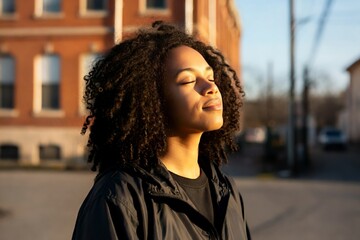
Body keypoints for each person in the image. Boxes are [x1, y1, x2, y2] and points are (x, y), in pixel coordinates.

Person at [72, 21, 251, 240]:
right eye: (188, 80)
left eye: (211, 77)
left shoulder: (226, 192)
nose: (211, 88)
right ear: (153, 101)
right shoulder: (120, 198)